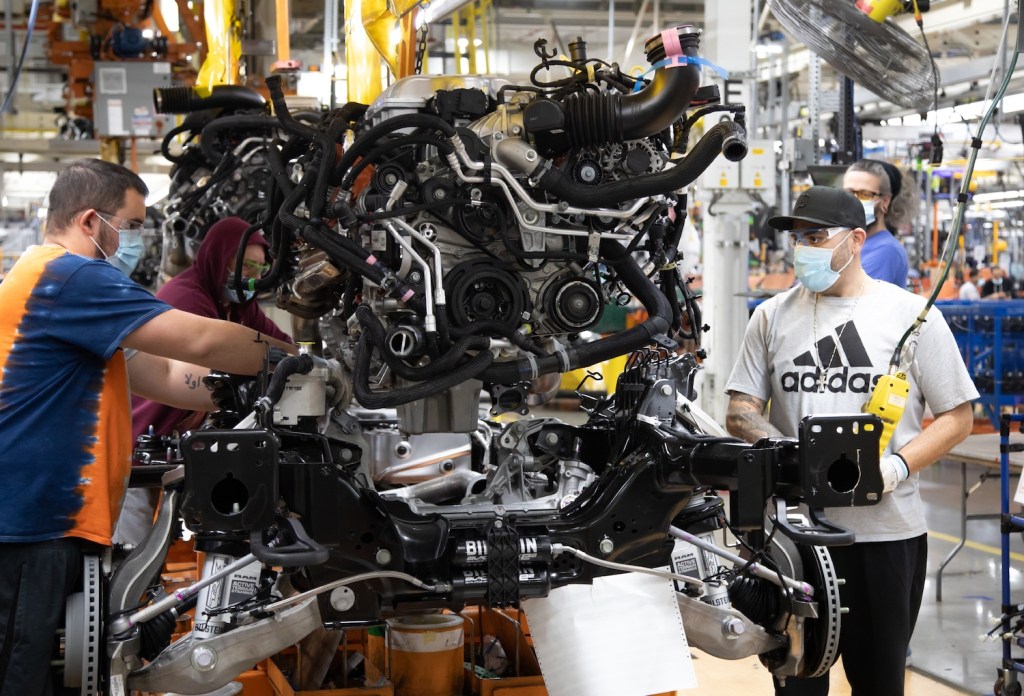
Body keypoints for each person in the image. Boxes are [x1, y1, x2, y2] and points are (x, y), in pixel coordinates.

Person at [0, 159, 296, 696]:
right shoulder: (70, 278)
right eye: (133, 225)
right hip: (32, 524)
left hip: (43, 518)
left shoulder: (54, 283)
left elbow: (158, 373)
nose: (138, 239)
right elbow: (202, 342)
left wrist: (238, 388)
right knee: (26, 677)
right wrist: (293, 363)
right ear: (91, 221)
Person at [725, 186, 977, 696]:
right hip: (796, 539)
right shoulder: (770, 316)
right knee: (796, 684)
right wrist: (789, 454)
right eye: (798, 238)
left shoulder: (912, 317)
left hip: (885, 539)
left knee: (880, 683)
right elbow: (739, 411)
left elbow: (958, 416)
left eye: (816, 236)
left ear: (857, 239)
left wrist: (895, 469)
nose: (803, 249)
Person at [131, 216, 292, 440]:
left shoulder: (239, 306)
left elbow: (278, 341)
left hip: (187, 426)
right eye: (245, 265)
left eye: (260, 268)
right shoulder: (187, 297)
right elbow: (211, 354)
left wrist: (307, 363)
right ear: (219, 258)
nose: (254, 277)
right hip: (155, 425)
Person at [842, 159, 912, 288]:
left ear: (885, 201)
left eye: (865, 194)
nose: (854, 201)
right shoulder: (852, 243)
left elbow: (853, 302)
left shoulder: (885, 251)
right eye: (849, 193)